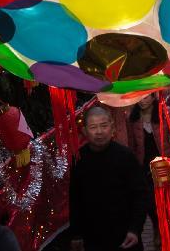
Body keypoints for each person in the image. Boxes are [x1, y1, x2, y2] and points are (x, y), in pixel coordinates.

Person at [69, 106, 147, 251]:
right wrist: (76, 234)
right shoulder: (79, 159)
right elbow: (75, 198)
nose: (99, 132)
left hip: (125, 236)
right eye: (93, 127)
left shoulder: (126, 156)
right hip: (93, 237)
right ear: (85, 131)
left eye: (104, 126)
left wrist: (135, 229)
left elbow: (140, 195)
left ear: (112, 128)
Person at [126, 94, 170, 248]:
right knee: (149, 202)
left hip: (164, 163)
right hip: (143, 166)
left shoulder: (166, 112)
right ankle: (158, 227)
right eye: (139, 98)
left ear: (153, 98)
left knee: (165, 200)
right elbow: (132, 144)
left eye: (146, 97)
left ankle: (166, 229)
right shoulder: (132, 116)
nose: (142, 101)